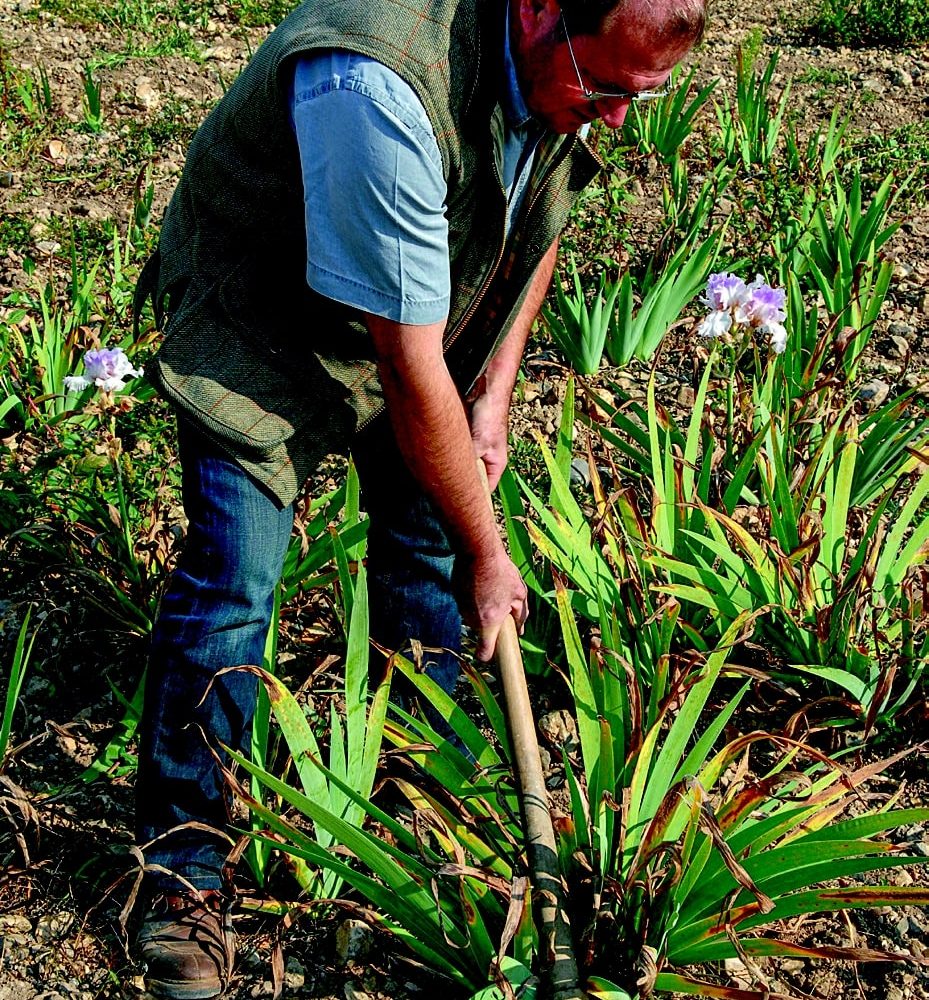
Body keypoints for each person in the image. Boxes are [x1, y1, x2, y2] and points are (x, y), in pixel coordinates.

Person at [131, 0, 706, 995]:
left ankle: (428, 802)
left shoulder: (559, 70)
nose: (614, 120)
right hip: (262, 323)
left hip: (414, 322)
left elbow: (537, 216)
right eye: (606, 89)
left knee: (428, 557)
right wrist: (492, 552)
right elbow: (405, 366)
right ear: (535, 9)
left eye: (637, 96)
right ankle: (181, 873)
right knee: (235, 586)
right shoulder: (379, 81)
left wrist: (492, 392)